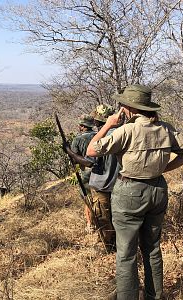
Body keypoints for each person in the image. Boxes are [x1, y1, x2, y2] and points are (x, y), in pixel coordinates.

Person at [86, 84, 183, 300]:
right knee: (152, 247)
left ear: (128, 108)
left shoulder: (127, 130)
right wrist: (163, 168)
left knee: (126, 252)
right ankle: (155, 296)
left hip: (130, 191)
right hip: (158, 189)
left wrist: (107, 125)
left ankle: (128, 297)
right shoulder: (166, 128)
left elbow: (91, 150)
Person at [65, 104, 119, 251]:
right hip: (120, 185)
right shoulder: (122, 133)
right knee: (117, 218)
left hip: (104, 184)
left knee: (103, 219)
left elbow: (88, 162)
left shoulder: (102, 138)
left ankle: (109, 248)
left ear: (96, 121)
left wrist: (69, 151)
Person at [70, 113, 95, 232]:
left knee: (88, 199)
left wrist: (69, 151)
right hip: (102, 172)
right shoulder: (98, 135)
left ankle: (90, 224)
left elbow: (74, 159)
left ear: (82, 126)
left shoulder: (78, 139)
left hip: (86, 173)